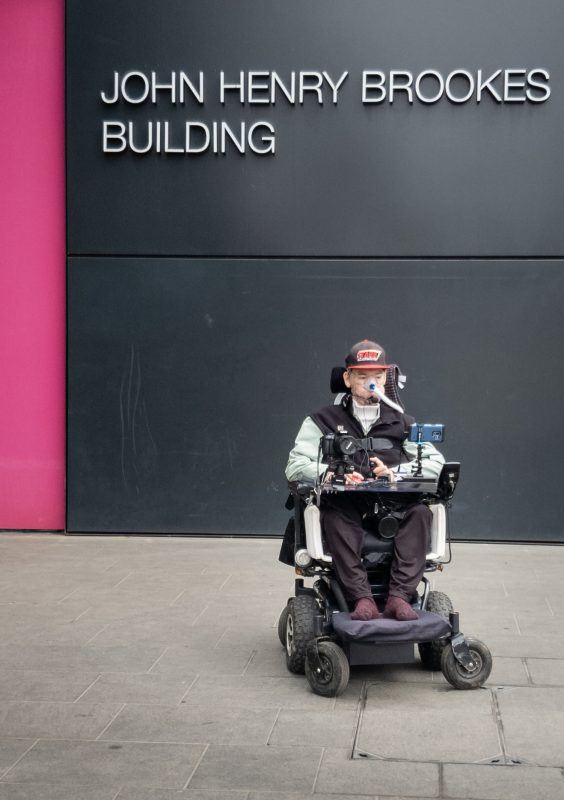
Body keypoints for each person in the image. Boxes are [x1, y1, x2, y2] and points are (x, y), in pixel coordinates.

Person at [285, 340, 445, 622]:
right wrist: (332, 474)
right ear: (347, 378)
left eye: (378, 376)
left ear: (386, 378)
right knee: (335, 517)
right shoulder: (321, 420)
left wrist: (397, 473)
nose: (372, 382)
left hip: (392, 506)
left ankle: (399, 597)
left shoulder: (404, 422)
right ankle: (361, 598)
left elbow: (435, 463)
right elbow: (296, 465)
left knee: (420, 514)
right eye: (363, 376)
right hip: (346, 504)